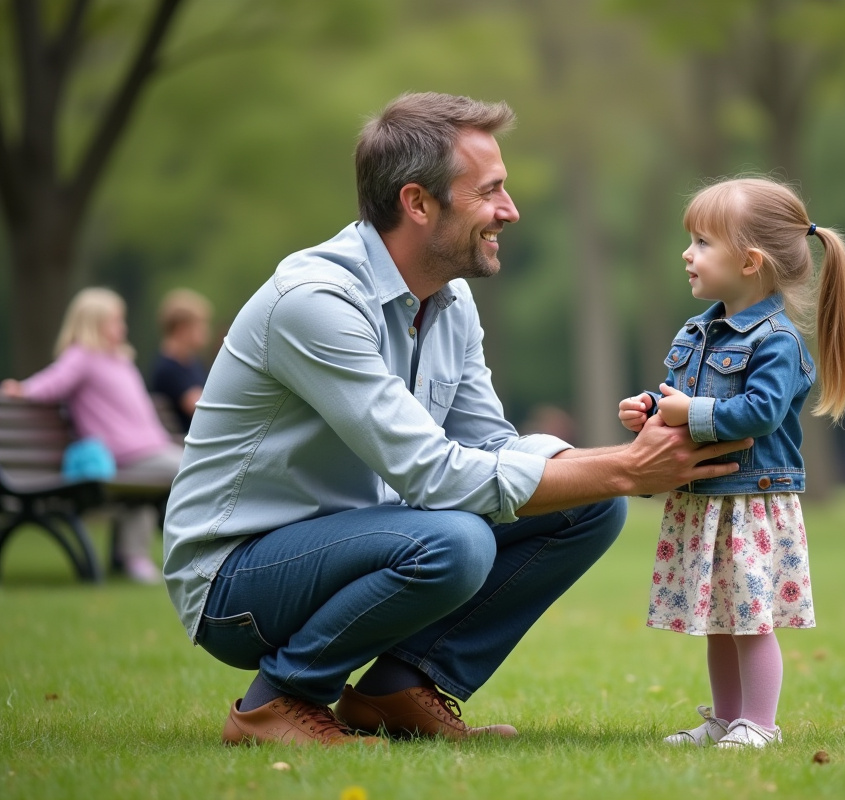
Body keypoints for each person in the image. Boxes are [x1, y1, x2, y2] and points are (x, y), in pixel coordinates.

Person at [162, 92, 751, 748]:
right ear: (418, 203)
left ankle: (401, 687)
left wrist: (625, 466)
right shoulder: (316, 304)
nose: (511, 210)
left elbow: (490, 446)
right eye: (491, 191)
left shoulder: (449, 300)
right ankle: (276, 701)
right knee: (456, 542)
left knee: (590, 506)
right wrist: (623, 467)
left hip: (361, 542)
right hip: (236, 580)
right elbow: (437, 478)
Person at [618, 177, 845, 748]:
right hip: (706, 499)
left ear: (749, 261)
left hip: (752, 501)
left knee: (750, 619)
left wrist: (686, 413)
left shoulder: (776, 342)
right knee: (717, 620)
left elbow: (760, 412)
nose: (687, 254)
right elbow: (681, 393)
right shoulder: (696, 331)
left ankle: (761, 724)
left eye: (702, 242)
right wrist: (651, 407)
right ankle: (725, 719)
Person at [1, 287, 182, 584]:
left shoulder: (120, 361)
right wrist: (24, 390)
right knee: (187, 469)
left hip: (146, 450)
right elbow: (53, 382)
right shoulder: (82, 356)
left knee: (165, 479)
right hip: (123, 452)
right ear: (92, 323)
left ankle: (133, 555)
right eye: (114, 321)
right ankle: (137, 556)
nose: (122, 327)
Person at [150, 289, 212, 433]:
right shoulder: (168, 369)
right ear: (182, 329)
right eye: (200, 325)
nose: (206, 330)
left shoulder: (192, 362)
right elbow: (202, 409)